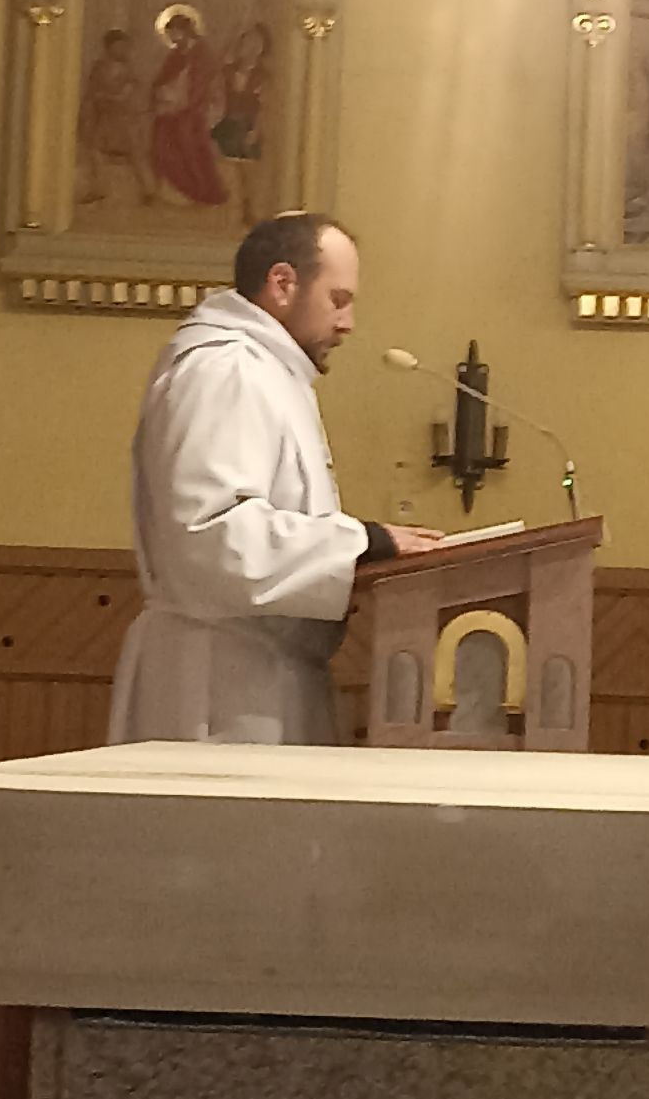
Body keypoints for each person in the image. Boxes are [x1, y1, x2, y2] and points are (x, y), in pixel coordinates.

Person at [108, 213, 442, 746]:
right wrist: (365, 543)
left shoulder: (265, 372)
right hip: (219, 687)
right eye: (338, 299)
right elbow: (211, 535)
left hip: (258, 672)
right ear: (282, 284)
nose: (349, 323)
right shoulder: (226, 371)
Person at [150, 11, 228, 207]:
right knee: (161, 134)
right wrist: (160, 94)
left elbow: (204, 87)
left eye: (175, 33)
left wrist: (184, 105)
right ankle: (181, 191)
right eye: (170, 35)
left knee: (187, 133)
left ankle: (206, 190)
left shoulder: (203, 54)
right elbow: (160, 80)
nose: (173, 39)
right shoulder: (176, 55)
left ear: (185, 31)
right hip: (178, 107)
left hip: (203, 106)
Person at [76, 29, 155, 205]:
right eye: (118, 46)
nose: (122, 50)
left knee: (136, 154)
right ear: (109, 47)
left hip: (125, 119)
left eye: (124, 46)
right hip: (105, 118)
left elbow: (130, 92)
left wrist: (115, 97)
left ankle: (149, 191)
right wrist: (91, 109)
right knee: (95, 151)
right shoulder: (99, 67)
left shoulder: (129, 70)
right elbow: (92, 92)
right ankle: (99, 188)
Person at [211, 23, 270, 227]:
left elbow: (264, 106)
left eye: (256, 44)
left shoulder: (262, 76)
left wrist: (256, 130)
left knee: (247, 173)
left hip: (247, 127)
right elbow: (216, 96)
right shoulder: (227, 71)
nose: (250, 48)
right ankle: (230, 209)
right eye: (246, 42)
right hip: (227, 125)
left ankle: (248, 209)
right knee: (227, 170)